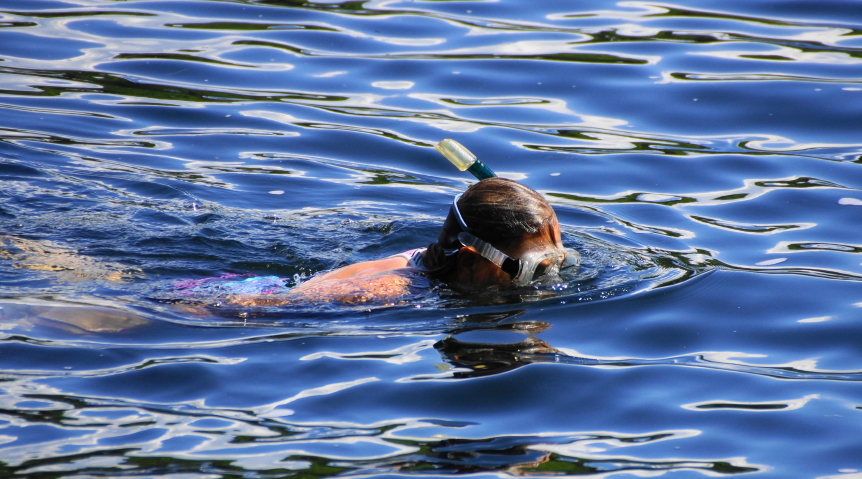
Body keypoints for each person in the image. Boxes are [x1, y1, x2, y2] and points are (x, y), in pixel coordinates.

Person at [187, 177, 579, 307]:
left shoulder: (437, 261)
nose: (552, 279)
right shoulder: (386, 291)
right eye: (536, 271)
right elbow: (259, 310)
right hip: (232, 298)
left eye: (560, 261)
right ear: (473, 256)